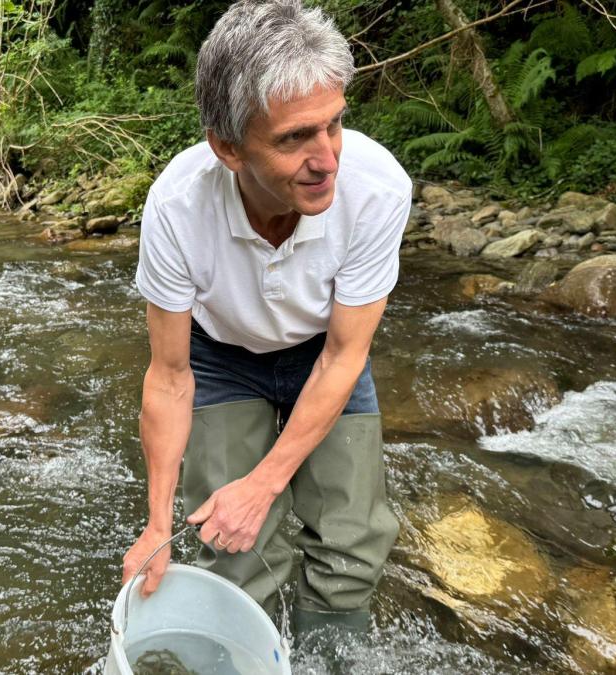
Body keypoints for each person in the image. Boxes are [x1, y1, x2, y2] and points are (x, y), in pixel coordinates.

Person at [121, 0, 410, 646]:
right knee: (234, 551)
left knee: (350, 542)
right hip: (221, 356)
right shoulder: (175, 208)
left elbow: (344, 357)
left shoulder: (378, 189)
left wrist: (265, 483)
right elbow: (168, 377)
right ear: (227, 147)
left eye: (334, 124)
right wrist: (155, 524)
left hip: (324, 353)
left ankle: (330, 660)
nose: (327, 157)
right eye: (293, 138)